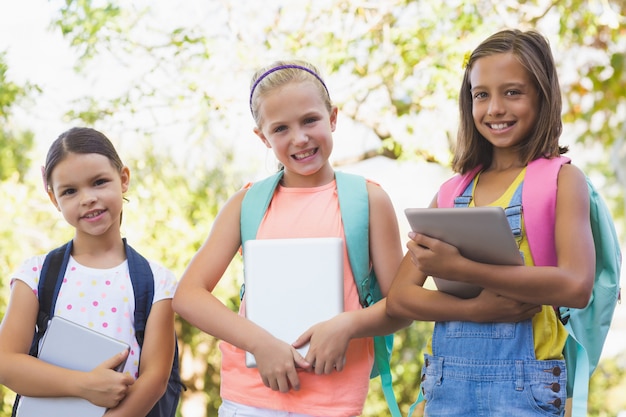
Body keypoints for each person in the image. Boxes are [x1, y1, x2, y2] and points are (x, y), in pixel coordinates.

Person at [172, 60, 408, 417]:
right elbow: (188, 295)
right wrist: (259, 343)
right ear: (263, 137)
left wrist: (348, 324)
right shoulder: (246, 203)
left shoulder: (368, 200)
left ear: (332, 118)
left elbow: (401, 305)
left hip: (333, 401)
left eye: (310, 120)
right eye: (281, 128)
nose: (299, 138)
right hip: (249, 398)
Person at [386, 29, 595, 417]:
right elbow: (400, 297)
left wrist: (461, 268)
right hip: (447, 389)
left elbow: (576, 286)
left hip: (526, 389)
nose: (495, 108)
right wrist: (475, 310)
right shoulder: (450, 193)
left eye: (512, 92)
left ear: (542, 96)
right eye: (481, 94)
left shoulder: (562, 181)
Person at [0, 127, 178, 416]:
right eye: (69, 191)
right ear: (54, 199)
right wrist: (84, 385)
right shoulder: (35, 274)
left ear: (123, 179)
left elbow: (154, 380)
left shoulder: (158, 282)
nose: (87, 198)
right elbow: (6, 364)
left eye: (98, 182)